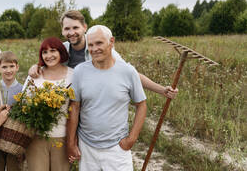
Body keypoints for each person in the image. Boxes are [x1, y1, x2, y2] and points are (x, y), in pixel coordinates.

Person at [29, 10, 178, 98]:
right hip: (69, 103)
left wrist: (161, 90)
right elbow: (47, 66)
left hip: (94, 100)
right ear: (62, 30)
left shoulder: (99, 49)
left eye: (75, 27)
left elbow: (130, 73)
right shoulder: (62, 49)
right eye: (67, 29)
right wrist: (35, 67)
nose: (71, 32)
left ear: (84, 27)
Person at [66, 25, 147, 171]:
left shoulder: (128, 72)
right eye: (90, 45)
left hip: (118, 147)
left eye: (99, 43)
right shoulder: (80, 71)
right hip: (87, 146)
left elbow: (141, 104)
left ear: (111, 42)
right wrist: (71, 143)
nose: (94, 49)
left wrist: (132, 139)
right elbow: (74, 107)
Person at [23, 37, 73, 171]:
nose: (49, 55)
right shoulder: (35, 74)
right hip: (36, 137)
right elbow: (23, 103)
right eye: (44, 52)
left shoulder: (73, 75)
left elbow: (77, 109)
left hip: (61, 138)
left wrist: (73, 142)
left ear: (61, 52)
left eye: (53, 51)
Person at [0, 51, 23, 171]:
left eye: (11, 66)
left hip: (13, 139)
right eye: (4, 67)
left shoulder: (22, 89)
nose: (8, 70)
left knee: (13, 167)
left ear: (17, 67)